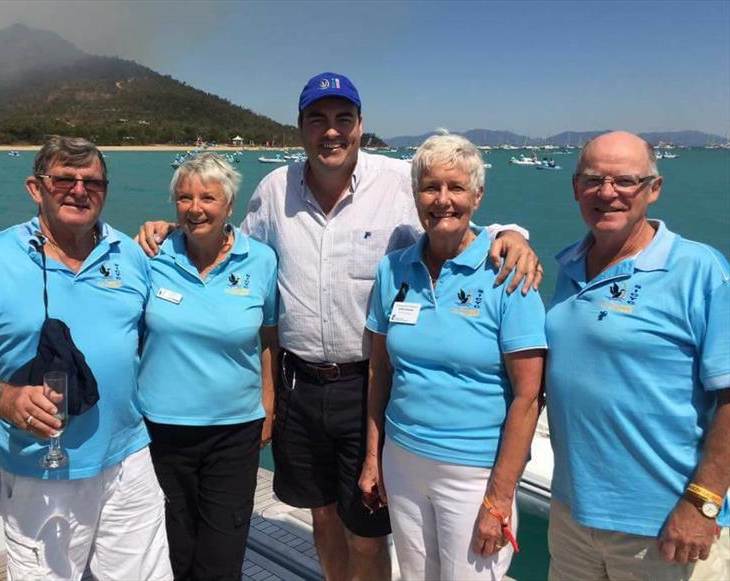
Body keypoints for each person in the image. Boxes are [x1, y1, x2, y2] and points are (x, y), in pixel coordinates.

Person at [137, 72, 542, 581]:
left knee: (367, 528)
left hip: (365, 384)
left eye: (342, 120)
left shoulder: (398, 183)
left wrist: (512, 235)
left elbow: (453, 215)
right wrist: (173, 231)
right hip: (298, 383)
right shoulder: (273, 190)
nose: (331, 132)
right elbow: (227, 244)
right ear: (301, 128)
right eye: (318, 120)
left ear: (360, 126)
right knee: (322, 513)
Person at [0, 136, 172, 581]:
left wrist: (172, 228)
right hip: (40, 469)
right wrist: (5, 399)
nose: (79, 191)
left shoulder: (132, 255)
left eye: (93, 182)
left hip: (129, 460)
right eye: (64, 179)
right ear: (34, 187)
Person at [359, 133, 547, 580]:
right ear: (415, 196)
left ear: (477, 197)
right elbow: (379, 371)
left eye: (456, 188)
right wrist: (373, 457)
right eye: (430, 187)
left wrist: (499, 497)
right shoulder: (394, 269)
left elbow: (528, 396)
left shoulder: (508, 274)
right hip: (402, 462)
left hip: (474, 474)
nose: (442, 200)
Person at [545, 131, 729, 580]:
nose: (607, 193)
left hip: (664, 523)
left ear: (654, 188)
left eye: (625, 180)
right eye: (593, 179)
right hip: (572, 515)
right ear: (575, 189)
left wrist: (703, 503)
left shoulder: (699, 271)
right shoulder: (569, 266)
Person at [137, 155, 278, 580]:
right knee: (170, 548)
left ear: (230, 205)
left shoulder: (262, 261)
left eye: (207, 197)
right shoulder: (149, 255)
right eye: (184, 197)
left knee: (222, 553)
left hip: (233, 432)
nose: (195, 207)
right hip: (160, 429)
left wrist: (269, 407)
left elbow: (270, 340)